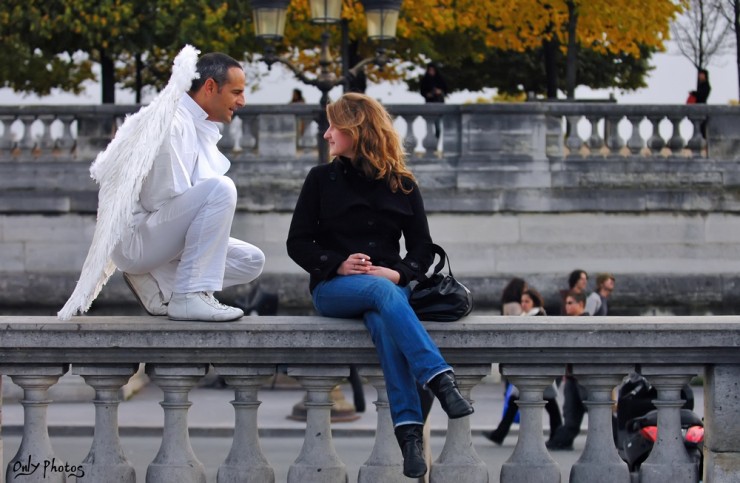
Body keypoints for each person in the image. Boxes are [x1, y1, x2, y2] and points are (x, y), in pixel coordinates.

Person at [286, 92, 473, 478]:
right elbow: (298, 242)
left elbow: (422, 247)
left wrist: (398, 273)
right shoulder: (321, 179)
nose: (326, 134)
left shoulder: (401, 183)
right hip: (333, 289)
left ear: (356, 130)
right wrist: (338, 264)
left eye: (333, 125)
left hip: (389, 290)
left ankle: (408, 438)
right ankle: (439, 377)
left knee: (382, 312)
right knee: (380, 294)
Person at [58, 48, 265, 322]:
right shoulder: (172, 123)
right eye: (236, 92)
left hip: (157, 235)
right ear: (210, 87)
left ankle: (158, 284)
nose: (242, 101)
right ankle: (188, 296)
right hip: (137, 241)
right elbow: (161, 202)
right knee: (221, 189)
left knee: (251, 260)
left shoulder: (191, 122)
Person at [486, 288, 561, 445]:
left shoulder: (538, 316)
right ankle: (500, 433)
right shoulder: (526, 316)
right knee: (520, 399)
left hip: (536, 366)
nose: (524, 304)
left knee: (546, 402)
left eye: (527, 301)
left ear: (534, 302)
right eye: (522, 301)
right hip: (529, 365)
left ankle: (500, 434)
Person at [547, 290, 589, 450]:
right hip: (572, 376)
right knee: (571, 414)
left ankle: (616, 438)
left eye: (571, 303)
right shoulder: (570, 323)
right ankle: (561, 440)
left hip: (583, 376)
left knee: (595, 408)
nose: (567, 306)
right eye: (566, 303)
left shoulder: (586, 323)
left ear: (581, 305)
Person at [419, 62, 448, 138]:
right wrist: (428, 94)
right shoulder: (425, 80)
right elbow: (422, 91)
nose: (431, 72)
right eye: (430, 70)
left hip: (438, 104)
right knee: (429, 126)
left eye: (433, 70)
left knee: (438, 126)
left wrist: (439, 91)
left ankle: (436, 143)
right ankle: (430, 143)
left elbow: (445, 90)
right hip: (429, 104)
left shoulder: (440, 79)